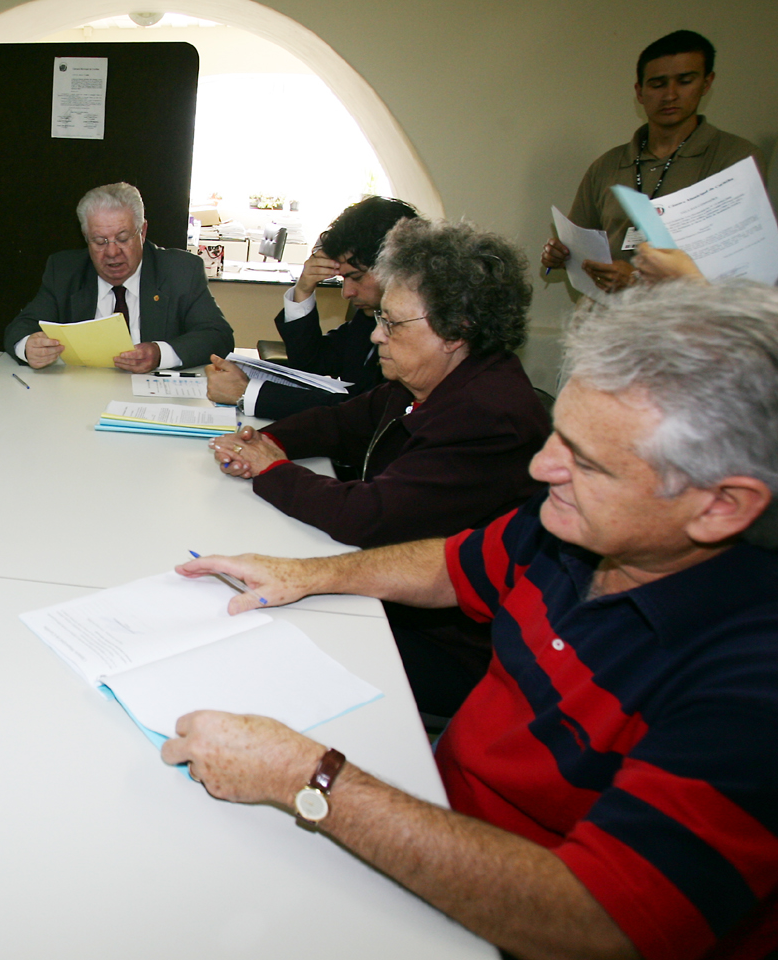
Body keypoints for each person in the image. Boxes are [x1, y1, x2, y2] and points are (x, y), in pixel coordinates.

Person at [166, 278, 778, 960]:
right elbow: (448, 565)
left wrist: (305, 775)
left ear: (722, 505)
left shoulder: (753, 687)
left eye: (586, 460)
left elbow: (595, 923)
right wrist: (308, 573)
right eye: (560, 437)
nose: (543, 466)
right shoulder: (579, 530)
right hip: (430, 805)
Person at [210, 219, 550, 716]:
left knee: (253, 632)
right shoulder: (430, 381)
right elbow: (339, 423)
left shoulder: (488, 416)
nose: (375, 335)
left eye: (392, 323)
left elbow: (370, 518)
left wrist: (270, 470)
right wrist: (264, 441)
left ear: (456, 331)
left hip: (451, 645)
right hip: (397, 603)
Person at [542, 30, 765, 296]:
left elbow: (738, 265)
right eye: (658, 84)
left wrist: (638, 281)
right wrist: (559, 256)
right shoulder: (607, 166)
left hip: (686, 328)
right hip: (605, 322)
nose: (670, 95)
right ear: (639, 91)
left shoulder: (735, 159)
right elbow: (579, 249)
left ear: (706, 84)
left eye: (684, 81)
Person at [204, 197, 417, 420]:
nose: (347, 293)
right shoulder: (369, 317)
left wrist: (248, 393)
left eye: (356, 277)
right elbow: (312, 362)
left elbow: (362, 411)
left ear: (398, 267)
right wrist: (304, 288)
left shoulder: (420, 334)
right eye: (344, 278)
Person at [4, 182, 234, 373]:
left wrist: (159, 353)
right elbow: (20, 326)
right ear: (85, 238)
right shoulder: (65, 270)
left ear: (142, 232)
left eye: (123, 238)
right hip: (79, 395)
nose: (112, 252)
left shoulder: (181, 271)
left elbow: (218, 336)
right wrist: (27, 347)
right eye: (100, 241)